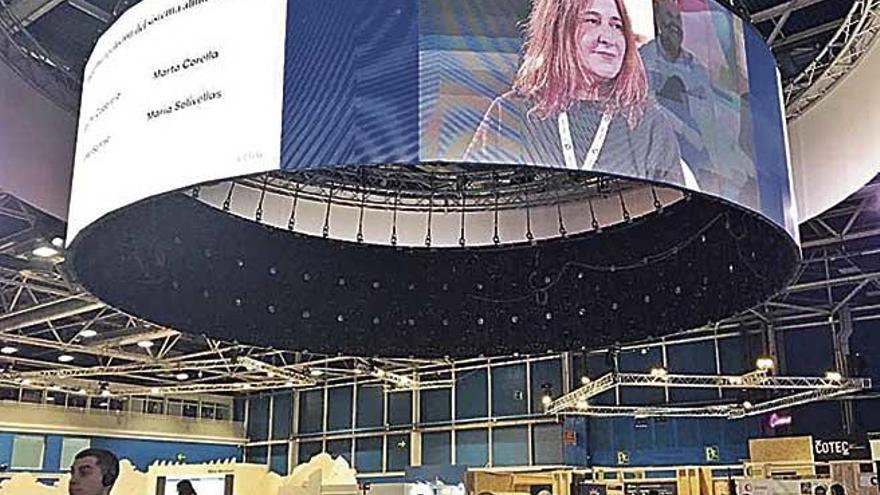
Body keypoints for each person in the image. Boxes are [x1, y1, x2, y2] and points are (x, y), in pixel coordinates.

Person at [465, 0, 684, 185]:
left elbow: (678, 216)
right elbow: (471, 202)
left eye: (617, 26)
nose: (608, 38)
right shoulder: (510, 114)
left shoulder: (649, 124)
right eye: (592, 21)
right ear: (559, 29)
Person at [639, 0, 715, 190]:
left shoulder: (696, 68)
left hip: (698, 156)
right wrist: (684, 130)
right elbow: (644, 105)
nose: (674, 23)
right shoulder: (644, 58)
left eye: (677, 18)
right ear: (657, 19)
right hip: (657, 152)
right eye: (668, 16)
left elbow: (709, 114)